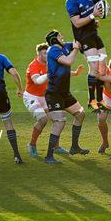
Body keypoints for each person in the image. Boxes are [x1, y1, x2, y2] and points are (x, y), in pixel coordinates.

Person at [24, 42, 85, 157]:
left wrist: (75, 73)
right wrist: (49, 74)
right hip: (32, 97)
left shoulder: (50, 62)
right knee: (43, 120)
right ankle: (32, 144)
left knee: (57, 120)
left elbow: (59, 72)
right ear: (38, 54)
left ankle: (56, 147)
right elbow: (36, 80)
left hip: (47, 96)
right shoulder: (34, 66)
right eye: (44, 53)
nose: (47, 55)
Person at [43, 30, 89, 164]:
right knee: (60, 123)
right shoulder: (52, 50)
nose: (62, 37)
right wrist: (75, 49)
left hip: (64, 93)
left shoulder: (66, 46)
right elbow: (68, 61)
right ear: (54, 40)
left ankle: (74, 147)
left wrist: (90, 26)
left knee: (80, 114)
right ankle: (49, 156)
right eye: (59, 36)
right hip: (54, 94)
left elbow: (79, 40)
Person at [65, 0, 108, 111]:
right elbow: (77, 23)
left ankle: (101, 100)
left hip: (94, 34)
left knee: (103, 66)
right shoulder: (71, 2)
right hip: (83, 37)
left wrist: (101, 14)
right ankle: (92, 100)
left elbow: (100, 7)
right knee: (94, 66)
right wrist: (92, 16)